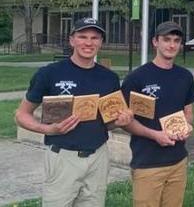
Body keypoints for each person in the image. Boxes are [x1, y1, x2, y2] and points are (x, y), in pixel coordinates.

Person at [15, 17, 131, 206]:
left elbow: (107, 122)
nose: (88, 42)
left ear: (101, 42)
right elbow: (21, 115)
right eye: (82, 36)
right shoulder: (49, 73)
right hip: (63, 157)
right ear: (72, 40)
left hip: (98, 157)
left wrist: (120, 121)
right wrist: (50, 130)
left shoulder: (109, 78)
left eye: (95, 38)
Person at [121, 21, 194, 207]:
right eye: (166, 39)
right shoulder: (136, 78)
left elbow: (188, 111)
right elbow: (125, 121)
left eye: (176, 40)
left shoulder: (185, 76)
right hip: (148, 162)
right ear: (155, 42)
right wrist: (155, 135)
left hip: (178, 161)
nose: (172, 45)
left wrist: (187, 126)